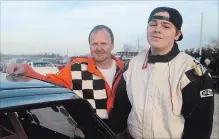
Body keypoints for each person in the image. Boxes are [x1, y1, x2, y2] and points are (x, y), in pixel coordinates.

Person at [6, 25, 131, 136]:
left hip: (119, 135)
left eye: (103, 43)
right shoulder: (77, 67)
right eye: (94, 44)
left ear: (112, 45)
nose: (99, 48)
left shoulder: (126, 69)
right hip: (89, 134)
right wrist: (26, 70)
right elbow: (51, 82)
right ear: (90, 45)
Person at [123, 7, 214, 139]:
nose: (157, 29)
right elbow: (123, 107)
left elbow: (200, 127)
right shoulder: (132, 65)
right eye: (153, 24)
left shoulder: (190, 71)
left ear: (177, 34)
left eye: (166, 26)